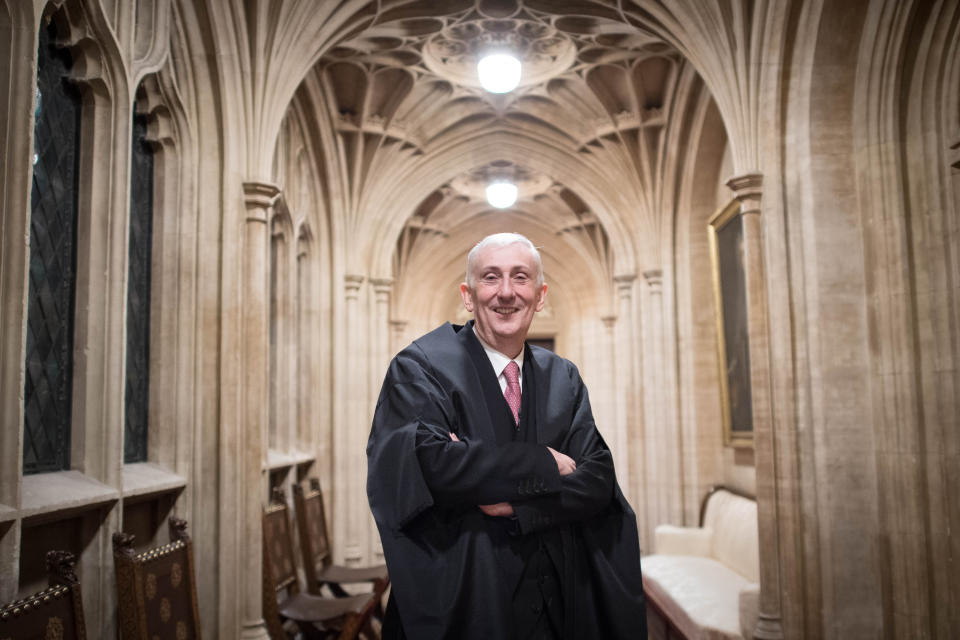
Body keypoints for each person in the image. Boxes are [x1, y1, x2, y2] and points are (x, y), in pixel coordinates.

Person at [367, 232, 646, 639]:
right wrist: (546, 462)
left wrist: (520, 507)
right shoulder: (421, 367)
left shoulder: (562, 377)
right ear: (468, 294)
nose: (506, 293)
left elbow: (599, 479)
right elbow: (434, 466)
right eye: (490, 277)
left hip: (556, 610)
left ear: (540, 294)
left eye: (520, 277)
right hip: (465, 605)